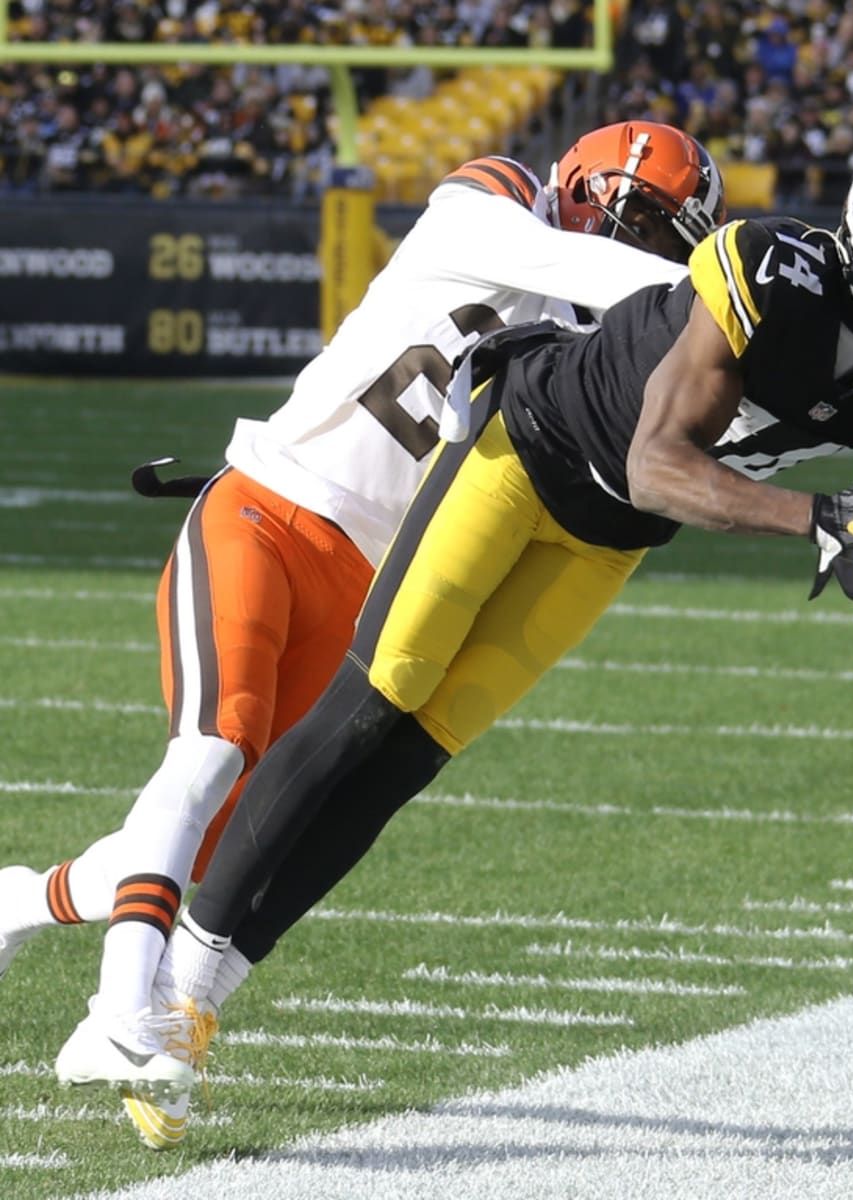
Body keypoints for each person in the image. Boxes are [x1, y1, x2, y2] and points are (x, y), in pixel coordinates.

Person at [152, 130, 853, 1141]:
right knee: (374, 700)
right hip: (523, 446)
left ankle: (209, 987)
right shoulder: (773, 276)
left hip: (607, 537)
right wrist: (823, 522)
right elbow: (661, 461)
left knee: (415, 757)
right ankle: (172, 984)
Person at [0, 119, 727, 1147]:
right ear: (593, 183)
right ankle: (120, 1014)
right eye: (648, 218)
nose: (652, 244)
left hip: (371, 581)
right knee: (212, 748)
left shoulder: (603, 321)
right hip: (266, 506)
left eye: (672, 235)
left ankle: (22, 902)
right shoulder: (497, 204)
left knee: (226, 834)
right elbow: (564, 259)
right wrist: (711, 298)